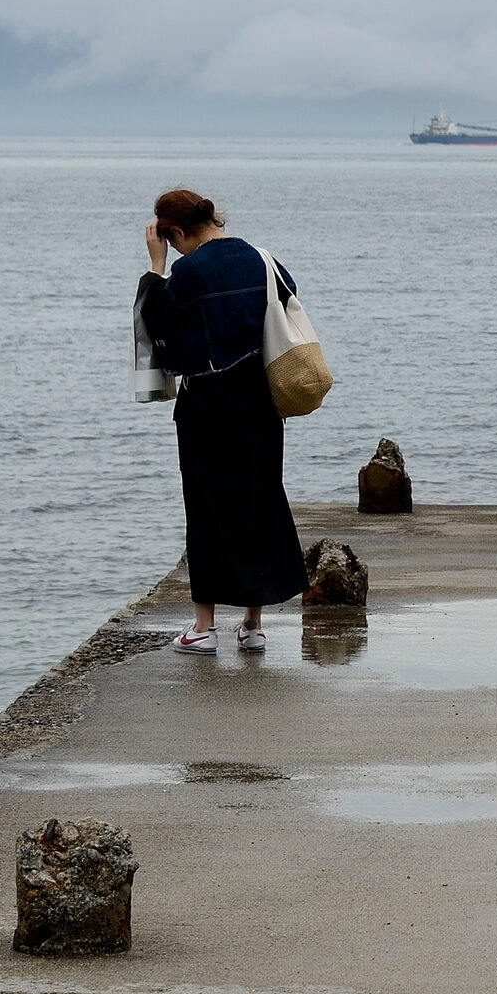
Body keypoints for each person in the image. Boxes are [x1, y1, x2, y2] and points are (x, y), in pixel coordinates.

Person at [137, 188, 310, 655]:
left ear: (175, 231)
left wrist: (156, 269)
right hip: (261, 397)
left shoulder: (187, 270)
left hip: (207, 402)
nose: (170, 249)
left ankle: (203, 627)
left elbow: (156, 323)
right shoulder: (262, 258)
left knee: (207, 507)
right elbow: (288, 298)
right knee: (259, 498)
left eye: (168, 241)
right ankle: (253, 625)